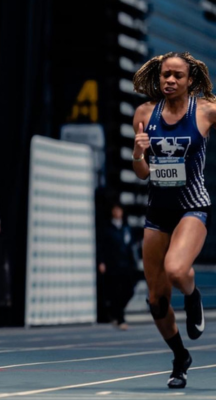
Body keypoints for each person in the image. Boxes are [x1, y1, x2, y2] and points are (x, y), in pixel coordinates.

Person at [131, 51, 216, 389]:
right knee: (156, 300)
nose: (169, 80)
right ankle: (180, 357)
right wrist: (139, 151)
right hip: (158, 212)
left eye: (177, 76)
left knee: (177, 270)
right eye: (166, 74)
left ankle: (192, 295)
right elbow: (141, 173)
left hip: (193, 206)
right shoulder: (144, 113)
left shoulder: (206, 110)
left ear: (190, 80)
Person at [98, 202, 139, 331]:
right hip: (113, 264)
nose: (117, 212)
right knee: (115, 291)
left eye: (119, 210)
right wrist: (101, 261)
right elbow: (101, 247)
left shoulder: (126, 228)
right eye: (115, 210)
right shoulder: (107, 228)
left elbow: (131, 246)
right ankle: (120, 318)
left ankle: (115, 311)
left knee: (129, 290)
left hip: (126, 264)